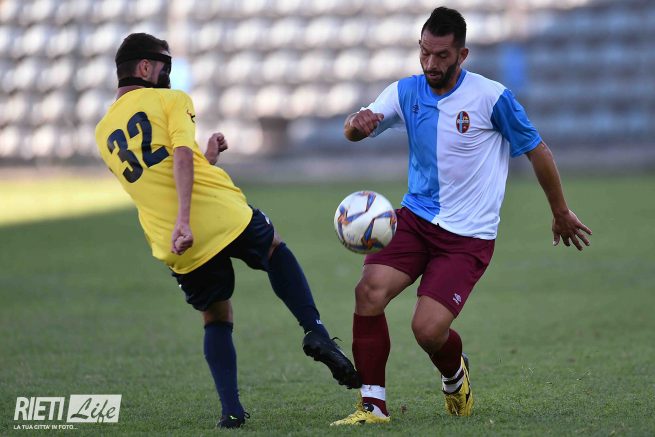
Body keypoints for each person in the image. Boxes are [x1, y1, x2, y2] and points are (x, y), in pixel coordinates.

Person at [331, 7, 592, 425]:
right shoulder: (405, 92)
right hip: (415, 218)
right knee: (369, 293)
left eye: (442, 55)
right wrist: (354, 125)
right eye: (424, 52)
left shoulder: (491, 97)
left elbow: (537, 150)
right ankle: (372, 406)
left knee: (427, 330)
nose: (430, 63)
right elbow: (355, 128)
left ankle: (455, 374)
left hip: (467, 237)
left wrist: (560, 211)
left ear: (462, 55)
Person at [94, 33, 361, 429]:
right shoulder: (171, 100)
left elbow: (158, 173)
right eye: (164, 66)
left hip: (171, 239)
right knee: (274, 249)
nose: (168, 74)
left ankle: (232, 411)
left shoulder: (103, 132)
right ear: (145, 67)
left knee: (216, 314)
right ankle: (315, 330)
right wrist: (187, 215)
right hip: (216, 212)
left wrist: (205, 161)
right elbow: (179, 156)